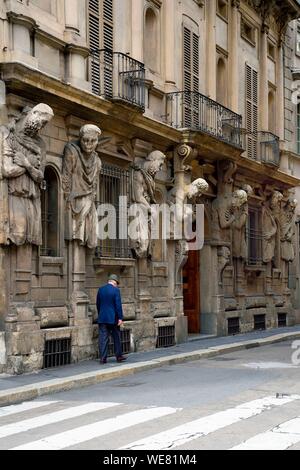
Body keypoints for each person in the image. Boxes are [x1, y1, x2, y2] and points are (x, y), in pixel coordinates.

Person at [0, 103, 54, 245]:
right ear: (34, 114)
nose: (41, 127)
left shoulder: (40, 144)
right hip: (14, 196)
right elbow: (7, 170)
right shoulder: (7, 134)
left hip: (31, 199)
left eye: (44, 124)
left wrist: (26, 164)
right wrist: (28, 164)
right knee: (17, 236)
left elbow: (40, 176)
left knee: (29, 239)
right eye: (43, 122)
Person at [62, 124, 102, 249]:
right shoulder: (72, 151)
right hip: (74, 200)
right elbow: (66, 176)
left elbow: (95, 185)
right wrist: (67, 196)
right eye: (85, 140)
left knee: (87, 232)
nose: (88, 144)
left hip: (89, 200)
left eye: (93, 141)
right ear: (80, 139)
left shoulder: (97, 161)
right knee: (76, 233)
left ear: (97, 142)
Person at [96, 274, 127, 364]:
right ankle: (119, 356)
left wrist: (100, 314)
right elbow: (118, 305)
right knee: (116, 337)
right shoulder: (116, 290)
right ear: (115, 282)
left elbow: (98, 304)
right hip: (113, 318)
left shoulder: (101, 289)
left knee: (103, 339)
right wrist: (120, 318)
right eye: (117, 283)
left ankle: (103, 358)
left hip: (102, 318)